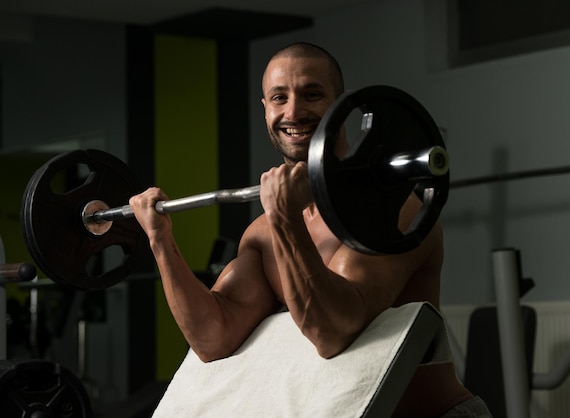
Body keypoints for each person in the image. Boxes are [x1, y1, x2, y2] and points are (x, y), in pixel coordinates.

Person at [129, 42, 491, 418]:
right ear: (265, 109)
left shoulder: (393, 209)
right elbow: (213, 337)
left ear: (344, 104)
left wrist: (286, 218)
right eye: (279, 98)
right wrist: (159, 240)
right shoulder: (263, 234)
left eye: (312, 94)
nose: (294, 112)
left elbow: (332, 331)